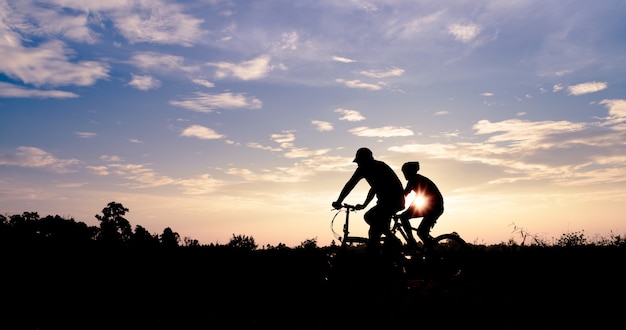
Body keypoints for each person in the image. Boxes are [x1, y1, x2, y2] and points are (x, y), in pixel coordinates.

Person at [332, 147, 405, 255]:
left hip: (393, 200)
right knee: (374, 232)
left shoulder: (377, 167)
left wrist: (363, 205)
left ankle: (393, 242)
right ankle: (384, 254)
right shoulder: (365, 168)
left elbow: (374, 188)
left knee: (370, 218)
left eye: (359, 162)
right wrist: (340, 201)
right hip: (384, 202)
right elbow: (351, 184)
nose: (358, 165)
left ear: (366, 160)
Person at [398, 161, 444, 250]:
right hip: (433, 206)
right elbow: (404, 195)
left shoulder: (417, 180)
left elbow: (418, 199)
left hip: (434, 207)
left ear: (410, 172)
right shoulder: (413, 180)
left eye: (405, 172)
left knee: (419, 231)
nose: (404, 175)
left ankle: (413, 242)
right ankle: (426, 248)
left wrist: (405, 211)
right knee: (421, 231)